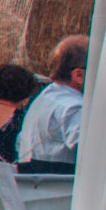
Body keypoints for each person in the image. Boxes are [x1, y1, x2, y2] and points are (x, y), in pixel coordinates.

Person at [15, 35, 89, 166]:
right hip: (59, 182)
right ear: (78, 75)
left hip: (33, 180)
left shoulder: (46, 96)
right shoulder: (73, 106)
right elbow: (92, 150)